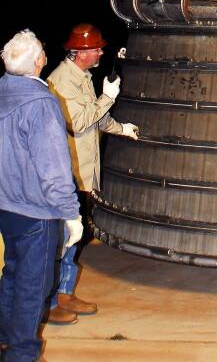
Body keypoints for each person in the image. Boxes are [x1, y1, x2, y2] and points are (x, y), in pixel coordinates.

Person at [46, 23, 139, 323]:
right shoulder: (61, 81)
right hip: (68, 174)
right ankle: (51, 302)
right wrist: (108, 97)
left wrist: (119, 128)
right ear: (81, 52)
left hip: (83, 171)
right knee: (64, 237)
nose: (101, 51)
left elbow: (97, 119)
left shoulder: (82, 77)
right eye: (96, 48)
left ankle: (65, 293)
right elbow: (80, 123)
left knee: (75, 236)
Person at [0, 29, 82, 362]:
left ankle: (5, 340)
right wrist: (71, 213)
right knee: (34, 287)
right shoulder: (41, 103)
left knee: (13, 274)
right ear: (38, 61)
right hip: (37, 213)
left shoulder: (3, 93)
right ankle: (23, 354)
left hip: (6, 206)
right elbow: (54, 171)